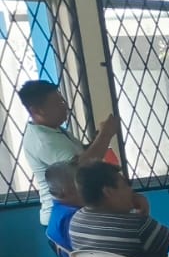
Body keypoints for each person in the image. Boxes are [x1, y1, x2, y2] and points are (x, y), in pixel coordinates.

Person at [18, 79, 118, 226]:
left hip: (72, 212)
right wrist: (105, 134)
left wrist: (98, 139)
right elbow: (80, 168)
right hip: (64, 217)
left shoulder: (53, 130)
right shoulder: (44, 140)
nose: (65, 106)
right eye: (57, 103)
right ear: (37, 110)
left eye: (62, 101)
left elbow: (81, 155)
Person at [42, 161, 91, 257]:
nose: (87, 189)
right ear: (66, 191)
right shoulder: (74, 217)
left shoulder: (57, 213)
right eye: (81, 185)